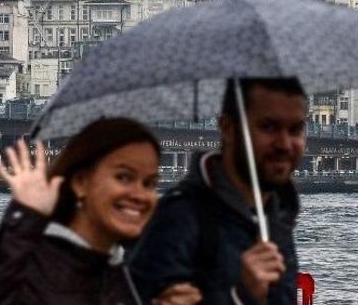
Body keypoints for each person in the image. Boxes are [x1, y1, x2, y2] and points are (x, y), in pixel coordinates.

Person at [0, 117, 201, 305]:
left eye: (149, 183)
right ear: (81, 182)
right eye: (124, 177)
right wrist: (24, 217)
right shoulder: (34, 268)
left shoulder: (122, 273)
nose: (140, 195)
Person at [131, 78, 306, 305]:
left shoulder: (279, 219)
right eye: (268, 127)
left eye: (295, 129)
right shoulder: (179, 218)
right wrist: (241, 296)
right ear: (228, 129)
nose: (284, 143)